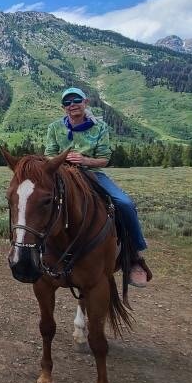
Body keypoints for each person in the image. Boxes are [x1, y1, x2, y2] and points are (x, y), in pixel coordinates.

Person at [44, 87, 151, 287]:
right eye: (67, 102)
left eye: (76, 100)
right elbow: (48, 154)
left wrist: (84, 159)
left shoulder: (99, 127)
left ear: (86, 103)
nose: (72, 105)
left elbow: (104, 159)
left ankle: (134, 256)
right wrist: (61, 159)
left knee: (125, 204)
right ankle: (33, 251)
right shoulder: (54, 128)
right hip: (62, 174)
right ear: (63, 108)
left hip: (92, 174)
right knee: (37, 201)